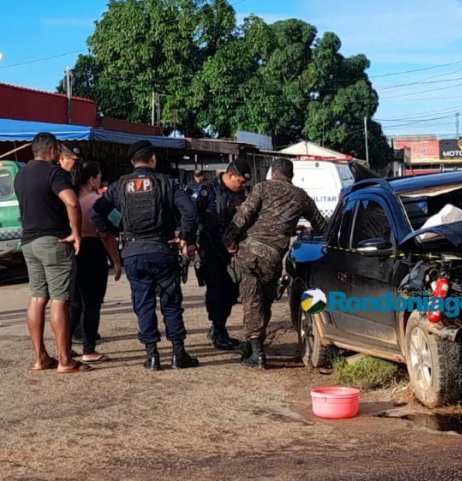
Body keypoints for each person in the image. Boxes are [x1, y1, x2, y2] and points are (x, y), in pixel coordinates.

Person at [92, 140, 199, 371]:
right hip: (163, 250)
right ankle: (178, 354)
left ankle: (152, 356)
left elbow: (98, 212)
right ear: (153, 159)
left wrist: (118, 227)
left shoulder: (120, 185)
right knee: (170, 303)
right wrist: (186, 238)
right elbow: (189, 211)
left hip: (132, 253)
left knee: (143, 303)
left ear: (132, 162)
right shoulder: (166, 182)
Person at [223, 158, 326, 369]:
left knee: (252, 300)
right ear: (291, 175)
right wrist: (293, 229)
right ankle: (256, 346)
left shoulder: (262, 188)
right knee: (265, 300)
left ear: (272, 173)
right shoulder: (301, 196)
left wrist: (229, 240)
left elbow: (243, 215)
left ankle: (257, 353)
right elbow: (322, 225)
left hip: (250, 252)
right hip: (274, 257)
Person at [15, 132, 88, 373]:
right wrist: (76, 232)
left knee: (37, 297)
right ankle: (65, 359)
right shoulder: (54, 173)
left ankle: (41, 357)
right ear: (53, 151)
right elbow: (72, 202)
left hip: (29, 242)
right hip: (54, 240)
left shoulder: (21, 175)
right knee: (60, 299)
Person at [193, 159, 251, 350]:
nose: (242, 186)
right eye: (240, 181)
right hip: (212, 250)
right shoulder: (207, 190)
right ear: (231, 175)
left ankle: (219, 327)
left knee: (232, 292)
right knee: (217, 291)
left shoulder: (243, 194)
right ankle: (218, 330)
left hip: (235, 251)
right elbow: (193, 217)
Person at [70, 162, 122, 363]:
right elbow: (111, 231)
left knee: (74, 303)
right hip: (93, 251)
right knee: (92, 303)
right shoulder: (98, 202)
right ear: (92, 180)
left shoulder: (70, 200)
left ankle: (65, 345)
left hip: (73, 251)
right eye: (99, 178)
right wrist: (116, 261)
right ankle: (88, 347)